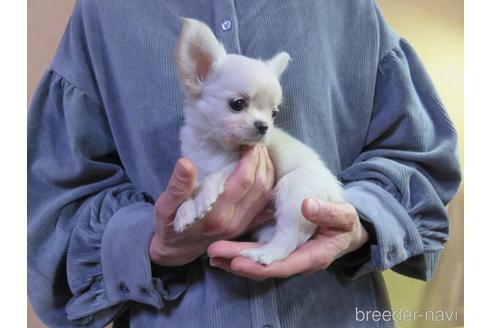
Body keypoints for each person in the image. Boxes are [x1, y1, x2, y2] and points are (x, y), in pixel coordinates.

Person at [27, 1, 461, 327]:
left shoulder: (348, 9)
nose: (262, 124)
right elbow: (49, 201)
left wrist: (355, 222)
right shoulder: (105, 14)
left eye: (272, 114)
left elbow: (420, 157)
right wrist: (152, 243)